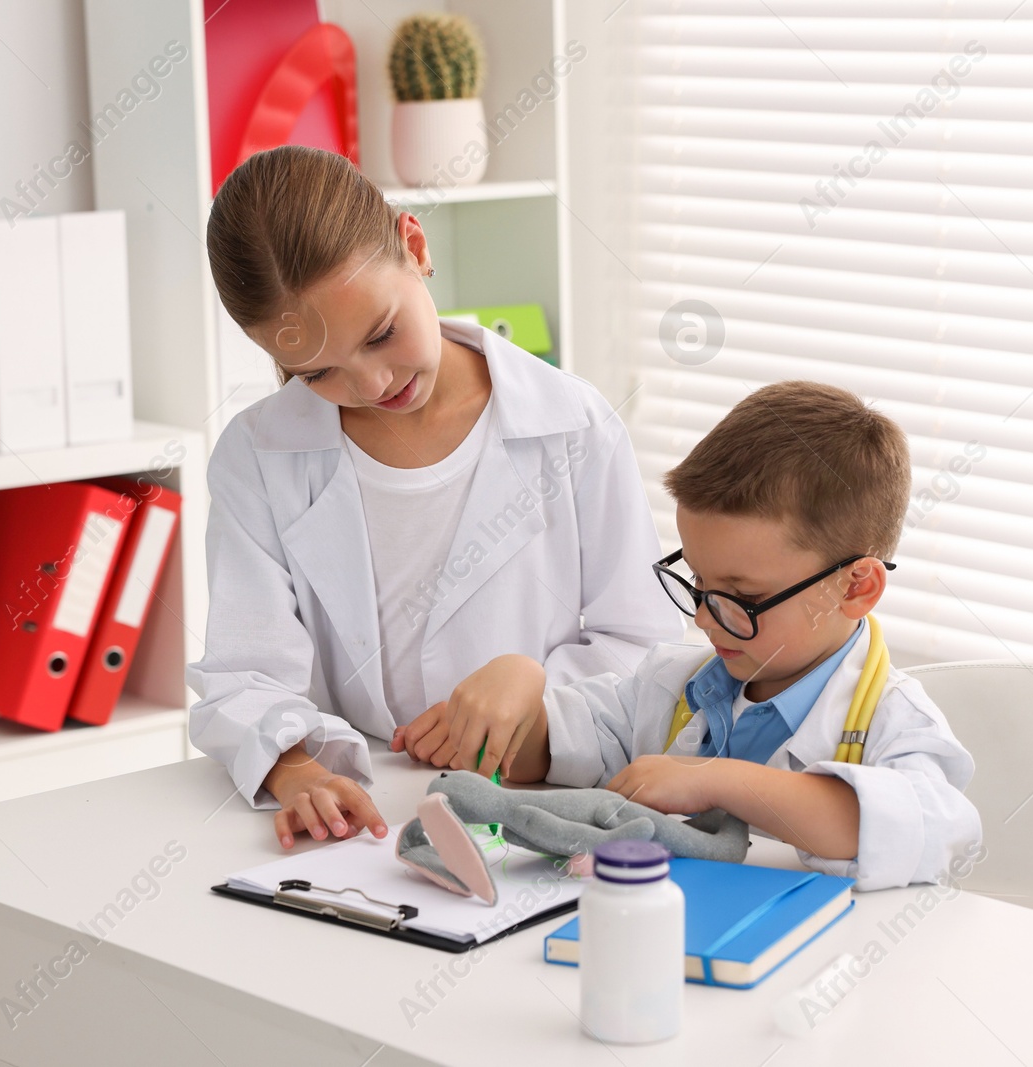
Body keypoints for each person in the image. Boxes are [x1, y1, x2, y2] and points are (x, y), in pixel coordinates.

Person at [186, 146, 681, 850]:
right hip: (363, 826)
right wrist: (296, 771)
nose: (371, 383)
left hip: (537, 801)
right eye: (320, 370)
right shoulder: (257, 456)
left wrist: (533, 685)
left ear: (415, 247)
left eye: (382, 334)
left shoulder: (572, 424)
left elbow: (649, 648)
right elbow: (245, 667)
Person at [398, 380, 982, 889]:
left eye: (743, 599)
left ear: (855, 588)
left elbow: (932, 829)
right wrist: (519, 687)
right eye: (697, 583)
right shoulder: (673, 687)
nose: (703, 619)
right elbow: (546, 757)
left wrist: (716, 780)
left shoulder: (895, 721)